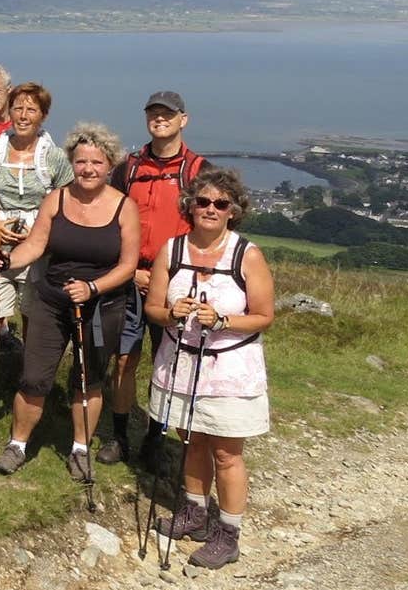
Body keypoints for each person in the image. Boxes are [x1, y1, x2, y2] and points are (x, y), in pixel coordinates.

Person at [0, 123, 140, 482]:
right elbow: (36, 244)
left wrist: (92, 287)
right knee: (33, 376)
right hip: (52, 299)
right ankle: (17, 446)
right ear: (72, 162)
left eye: (97, 163)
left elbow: (128, 265)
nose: (88, 169)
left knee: (88, 379)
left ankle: (79, 450)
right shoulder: (56, 198)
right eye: (81, 161)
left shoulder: (124, 207)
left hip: (103, 305)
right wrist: (8, 260)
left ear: (110, 166)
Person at [146, 168, 273, 570]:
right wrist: (171, 313)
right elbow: (153, 308)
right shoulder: (172, 250)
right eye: (202, 202)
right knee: (192, 440)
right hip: (182, 361)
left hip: (230, 368)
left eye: (221, 203)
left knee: (227, 453)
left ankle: (228, 534)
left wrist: (221, 321)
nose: (210, 209)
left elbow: (264, 316)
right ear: (190, 206)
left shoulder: (246, 255)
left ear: (233, 211)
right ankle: (195, 514)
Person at [101, 90, 212, 467]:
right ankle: (118, 436)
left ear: (184, 119)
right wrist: (130, 270)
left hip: (176, 282)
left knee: (169, 362)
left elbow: (209, 229)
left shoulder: (198, 171)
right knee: (123, 360)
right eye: (153, 113)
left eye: (168, 114)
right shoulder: (128, 167)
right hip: (130, 276)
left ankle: (155, 436)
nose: (159, 119)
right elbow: (110, 217)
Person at [0, 82, 74, 394]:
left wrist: (44, 229)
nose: (23, 115)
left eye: (31, 109)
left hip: (39, 252)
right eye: (18, 108)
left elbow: (69, 201)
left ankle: (30, 388)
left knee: (35, 324)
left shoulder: (54, 158)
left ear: (43, 115)